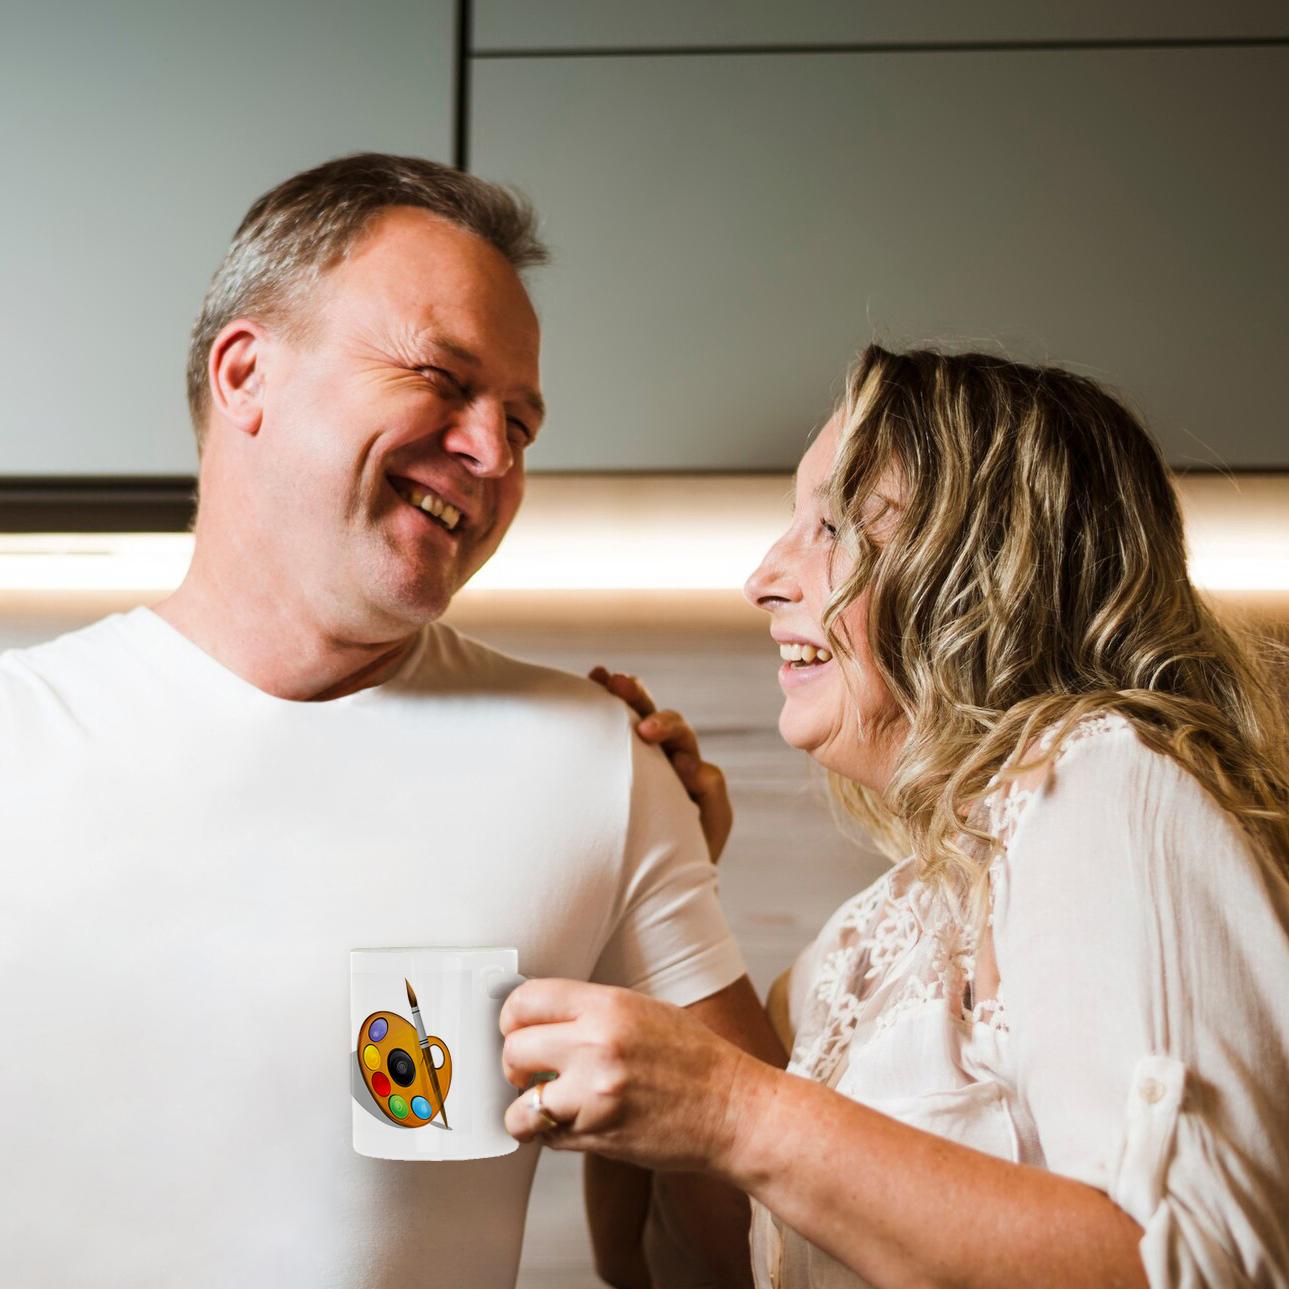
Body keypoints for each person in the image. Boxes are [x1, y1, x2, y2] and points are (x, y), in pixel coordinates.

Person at [0, 153, 781, 1288]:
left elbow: (749, 1248)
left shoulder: (595, 762)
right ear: (246, 374)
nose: (491, 453)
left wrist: (654, 900)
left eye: (520, 422)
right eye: (441, 377)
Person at [500, 345, 1289, 1288]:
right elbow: (670, 1263)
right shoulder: (863, 943)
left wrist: (733, 1109)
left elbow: (1206, 1266)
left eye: (831, 524)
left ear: (985, 569)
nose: (763, 576)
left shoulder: (1103, 778)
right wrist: (655, 877)